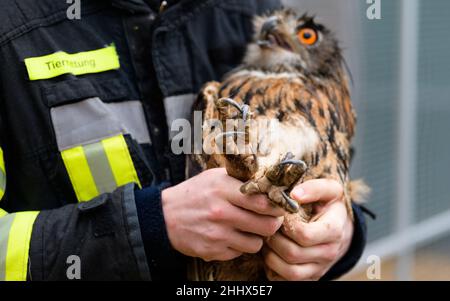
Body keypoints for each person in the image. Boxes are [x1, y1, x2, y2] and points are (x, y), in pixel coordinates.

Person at [0, 0, 367, 281]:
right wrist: (146, 227)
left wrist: (339, 234)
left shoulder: (245, 9)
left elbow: (326, 182)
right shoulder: (13, 23)